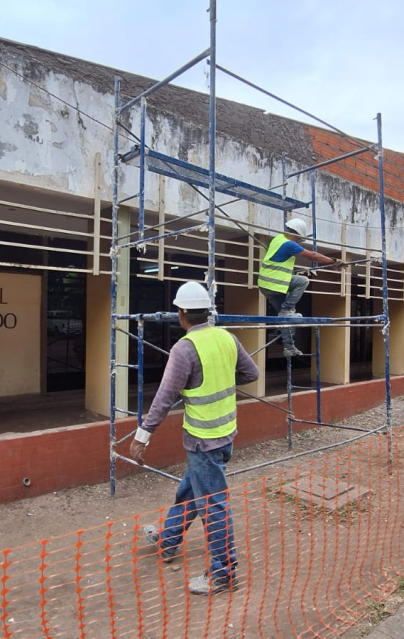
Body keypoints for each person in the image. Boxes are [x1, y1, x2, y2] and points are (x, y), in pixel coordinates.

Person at [130, 281, 260, 596]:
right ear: (207, 311)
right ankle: (168, 540)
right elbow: (251, 373)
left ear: (182, 313)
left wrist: (142, 436)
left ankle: (223, 573)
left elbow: (164, 398)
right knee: (189, 492)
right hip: (225, 436)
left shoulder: (185, 349)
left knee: (213, 505)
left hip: (203, 441)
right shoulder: (227, 338)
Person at [257, 217, 337, 357]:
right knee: (303, 281)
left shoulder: (277, 239)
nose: (299, 242)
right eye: (299, 239)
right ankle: (288, 309)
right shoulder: (289, 244)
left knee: (285, 319)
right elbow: (312, 255)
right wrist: (334, 261)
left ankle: (289, 347)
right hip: (275, 283)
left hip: (267, 284)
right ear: (295, 234)